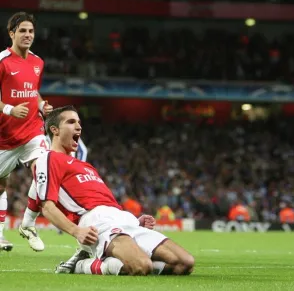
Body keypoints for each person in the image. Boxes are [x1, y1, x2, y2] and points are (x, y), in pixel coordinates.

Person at [35, 105, 195, 276]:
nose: (79, 126)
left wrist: (134, 221)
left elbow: (106, 202)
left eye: (79, 122)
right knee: (142, 266)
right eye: (71, 122)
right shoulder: (48, 158)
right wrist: (76, 231)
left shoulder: (86, 166)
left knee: (184, 263)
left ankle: (116, 260)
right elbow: (47, 206)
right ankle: (81, 265)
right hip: (96, 221)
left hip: (122, 217)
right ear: (55, 130)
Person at [0, 12, 53, 251]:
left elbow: (33, 91)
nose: (28, 35)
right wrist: (10, 109)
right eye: (22, 30)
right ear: (12, 33)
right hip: (4, 136)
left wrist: (41, 104)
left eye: (31, 31)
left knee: (45, 168)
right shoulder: (2, 61)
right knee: (1, 185)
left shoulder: (38, 62)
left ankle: (28, 224)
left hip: (32, 129)